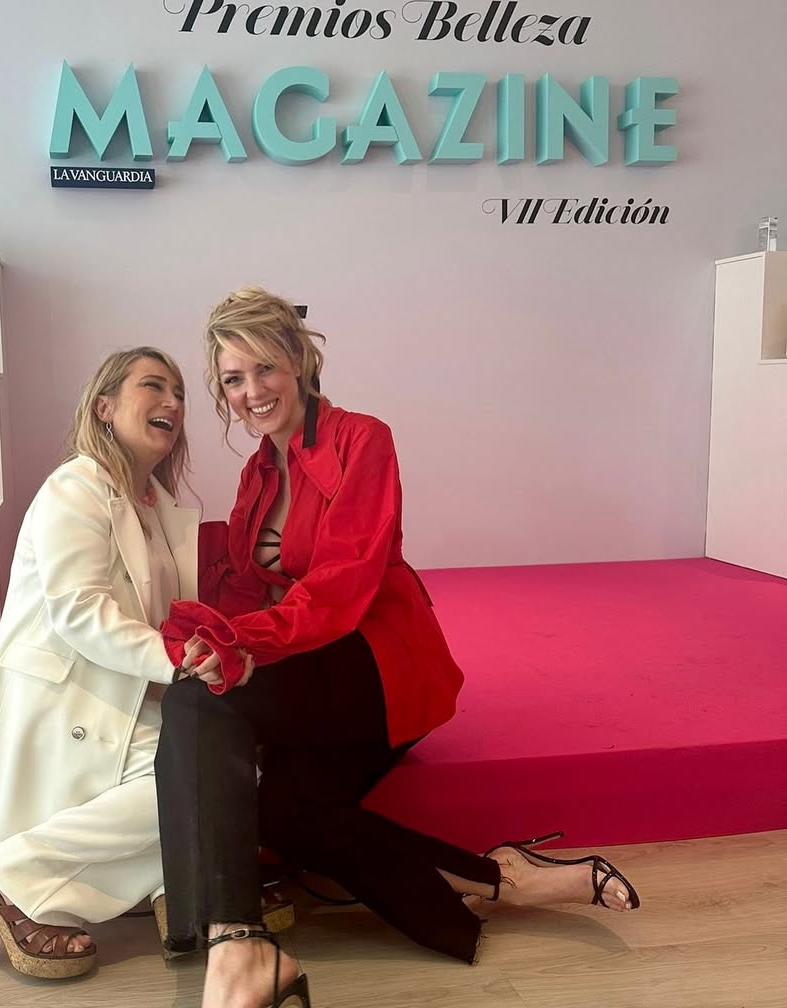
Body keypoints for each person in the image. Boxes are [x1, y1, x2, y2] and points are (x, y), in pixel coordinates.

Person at [154, 287, 641, 1008]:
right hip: (313, 665)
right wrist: (204, 632)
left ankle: (236, 942)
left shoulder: (362, 439)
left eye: (265, 368)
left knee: (202, 704)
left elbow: (342, 584)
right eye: (233, 378)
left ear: (298, 361)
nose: (252, 391)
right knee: (284, 812)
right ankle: (502, 877)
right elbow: (252, 588)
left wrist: (240, 645)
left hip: (379, 665)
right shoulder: (256, 476)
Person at [0, 346, 204, 979]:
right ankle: (16, 878)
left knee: (226, 763)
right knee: (192, 781)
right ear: (104, 407)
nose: (172, 402)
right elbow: (78, 611)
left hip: (132, 693)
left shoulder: (156, 506)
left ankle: (173, 884)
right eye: (153, 386)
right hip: (69, 695)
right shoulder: (75, 488)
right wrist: (176, 662)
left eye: (180, 393)